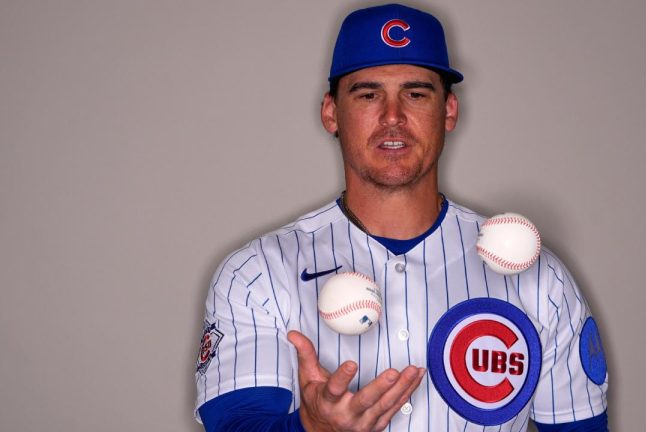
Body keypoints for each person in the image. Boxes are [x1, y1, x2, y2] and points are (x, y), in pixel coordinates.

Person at [194, 4, 609, 431]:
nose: (392, 117)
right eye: (368, 94)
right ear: (331, 113)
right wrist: (311, 427)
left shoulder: (539, 279)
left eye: (415, 93)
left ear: (448, 111)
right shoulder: (258, 273)